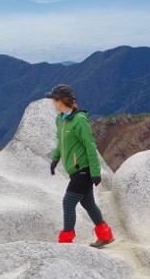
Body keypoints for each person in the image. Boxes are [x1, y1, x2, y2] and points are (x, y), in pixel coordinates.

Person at [45, 84, 115, 248]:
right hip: (75, 171)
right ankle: (105, 235)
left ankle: (66, 242)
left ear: (62, 101)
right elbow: (61, 144)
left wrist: (95, 172)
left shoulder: (79, 120)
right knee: (88, 204)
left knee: (68, 203)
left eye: (54, 99)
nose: (53, 103)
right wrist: (55, 159)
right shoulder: (60, 120)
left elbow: (90, 146)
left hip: (83, 171)